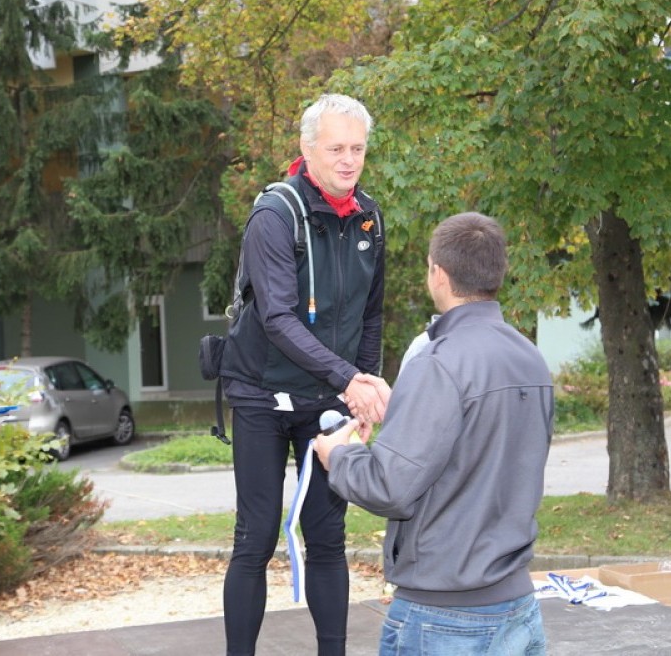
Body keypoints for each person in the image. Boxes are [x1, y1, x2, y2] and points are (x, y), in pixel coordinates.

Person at [315, 212, 554, 656]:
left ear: (437, 273)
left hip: (444, 618)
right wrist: (404, 417)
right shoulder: (530, 359)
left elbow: (391, 488)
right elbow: (479, 453)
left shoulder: (438, 362)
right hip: (517, 608)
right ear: (497, 272)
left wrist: (339, 455)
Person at [219, 93, 390, 656]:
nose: (348, 160)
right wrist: (350, 379)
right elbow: (277, 318)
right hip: (260, 393)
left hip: (325, 397)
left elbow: (370, 313)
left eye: (357, 148)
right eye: (336, 148)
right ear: (306, 148)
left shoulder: (369, 217)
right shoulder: (275, 215)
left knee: (327, 537)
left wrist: (362, 386)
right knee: (257, 534)